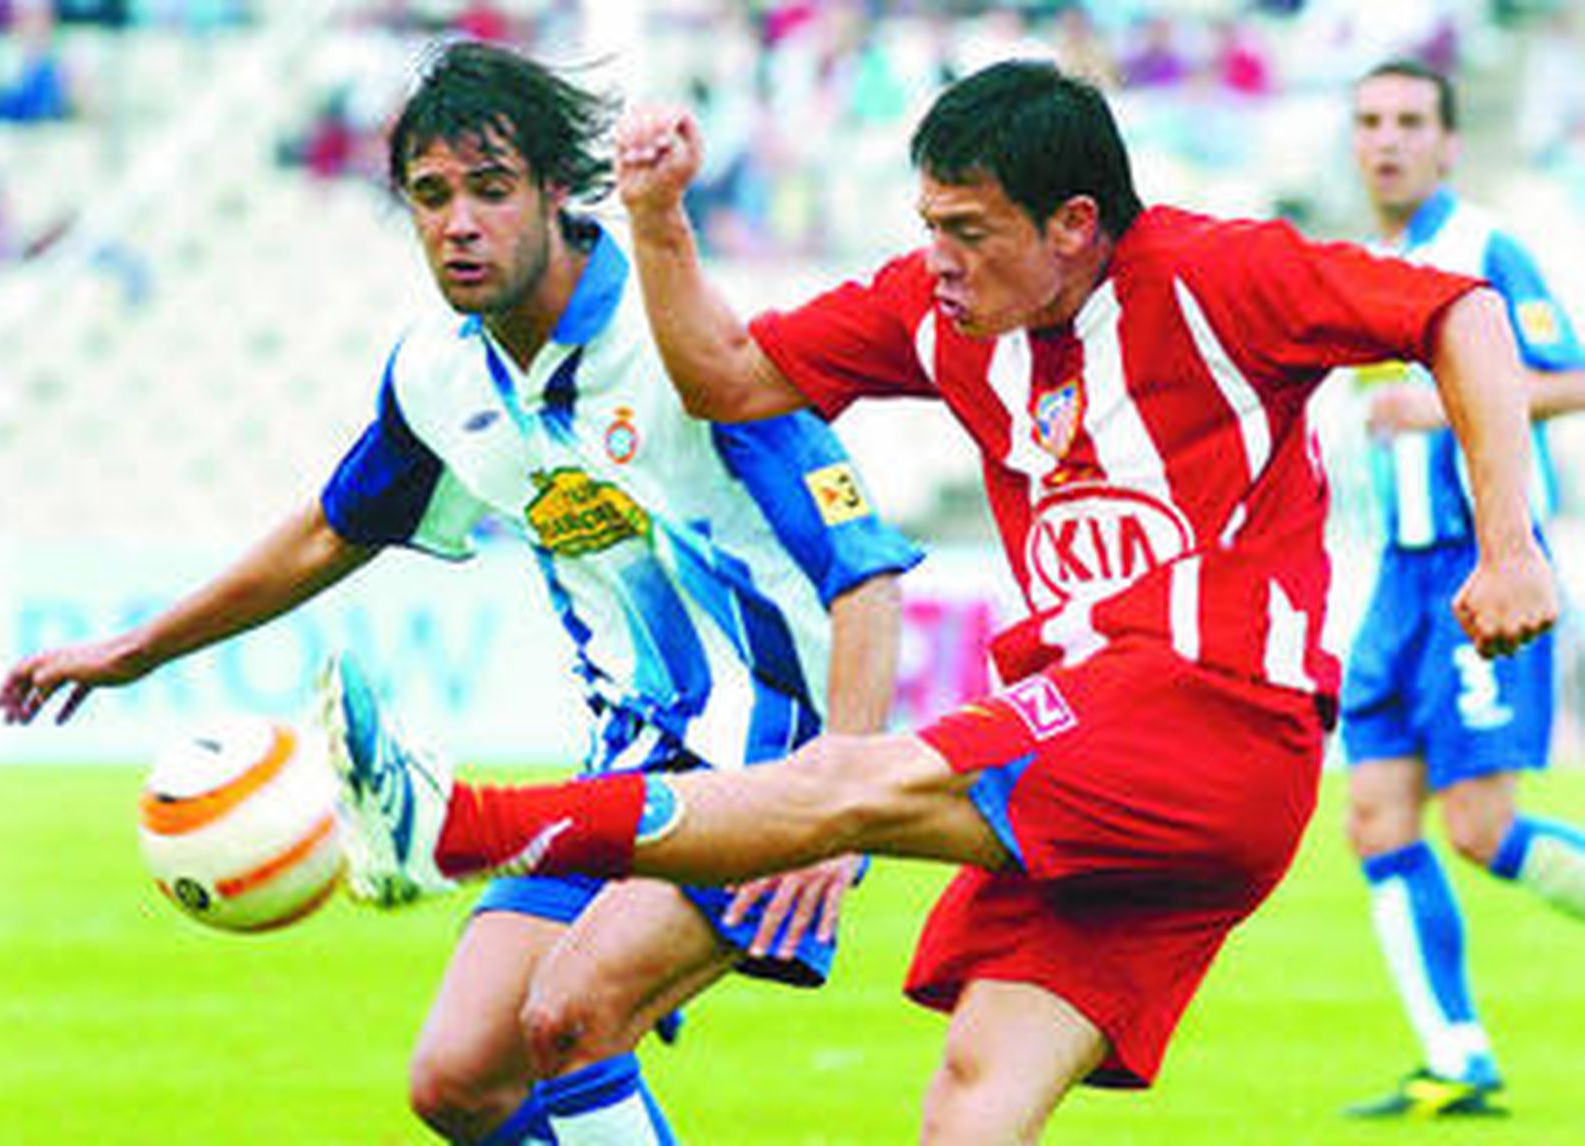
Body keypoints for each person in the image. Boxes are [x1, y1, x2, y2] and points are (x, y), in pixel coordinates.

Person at [323, 59, 1558, 1144]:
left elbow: (1462, 312)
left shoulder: (1219, 276)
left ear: (1074, 225)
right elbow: (723, 377)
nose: (936, 258)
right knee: (971, 1099)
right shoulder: (940, 312)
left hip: (1209, 716)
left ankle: (457, 823)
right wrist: (657, 223)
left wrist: (1508, 547)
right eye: (927, 224)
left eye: (965, 229)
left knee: (847, 783)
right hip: (1109, 766)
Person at [0, 41, 921, 1146]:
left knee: (574, 1016)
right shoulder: (440, 372)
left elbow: (861, 568)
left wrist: (841, 799)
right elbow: (335, 530)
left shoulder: (676, 331)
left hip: (782, 758)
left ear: (553, 193)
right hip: (629, 756)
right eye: (431, 198)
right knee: (457, 1080)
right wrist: (135, 652)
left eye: (489, 190)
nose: (458, 224)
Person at [1339, 58, 1585, 1119]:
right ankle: (1456, 1056)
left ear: (1446, 141)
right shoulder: (1354, 264)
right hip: (1393, 580)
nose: (1386, 140)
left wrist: (1439, 411)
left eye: (1408, 122)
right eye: (1369, 122)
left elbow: (1571, 373)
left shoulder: (1481, 248)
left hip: (1480, 566)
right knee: (1373, 818)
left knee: (1481, 828)